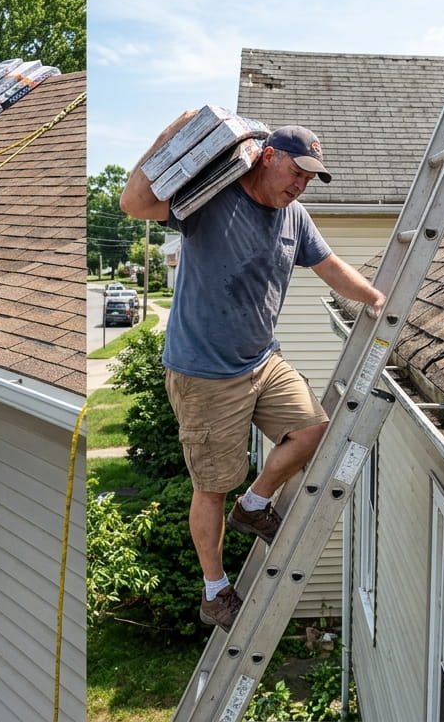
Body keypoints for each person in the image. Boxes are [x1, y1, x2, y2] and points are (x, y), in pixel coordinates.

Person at [120, 117, 385, 632]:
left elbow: (330, 267)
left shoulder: (295, 217)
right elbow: (133, 204)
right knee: (212, 486)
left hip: (262, 359)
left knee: (315, 430)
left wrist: (375, 299)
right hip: (204, 375)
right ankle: (215, 591)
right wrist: (171, 133)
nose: (301, 184)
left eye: (310, 178)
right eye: (297, 172)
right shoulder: (212, 199)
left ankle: (256, 504)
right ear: (268, 157)